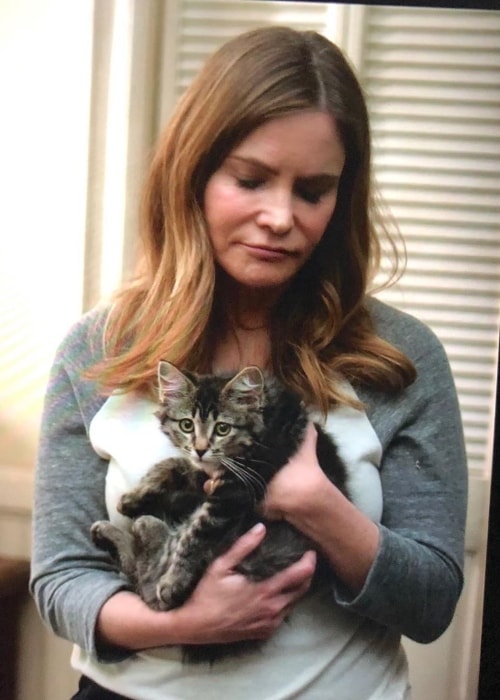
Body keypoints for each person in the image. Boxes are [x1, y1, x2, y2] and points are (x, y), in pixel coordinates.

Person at [30, 26, 468, 700]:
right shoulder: (98, 353)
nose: (278, 217)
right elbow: (61, 580)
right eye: (251, 179)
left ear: (340, 200)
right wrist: (180, 620)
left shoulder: (400, 361)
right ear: (194, 173)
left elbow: (432, 602)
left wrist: (317, 502)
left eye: (313, 191)